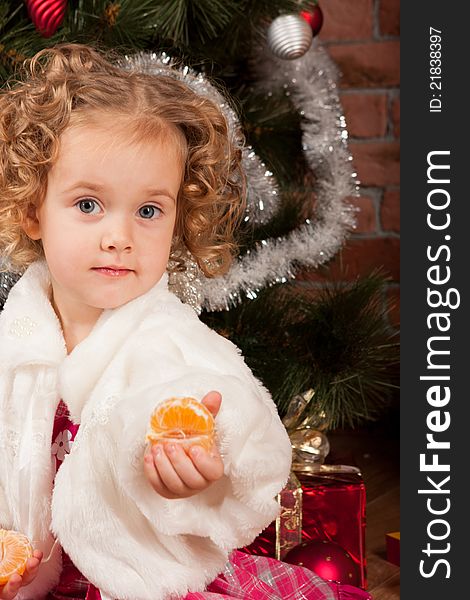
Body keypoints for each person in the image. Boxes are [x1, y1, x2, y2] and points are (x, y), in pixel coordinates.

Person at [0, 44, 370, 600]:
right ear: (33, 210)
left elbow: (254, 449)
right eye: (88, 205)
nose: (119, 236)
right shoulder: (17, 331)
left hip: (140, 578)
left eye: (148, 211)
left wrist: (205, 473)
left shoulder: (171, 341)